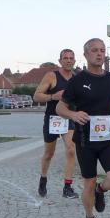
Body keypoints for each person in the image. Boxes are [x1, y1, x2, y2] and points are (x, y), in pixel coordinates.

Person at [56, 38, 110, 218]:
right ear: (86, 54)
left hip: (107, 138)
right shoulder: (77, 81)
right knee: (89, 181)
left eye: (102, 50)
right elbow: (60, 108)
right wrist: (73, 115)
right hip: (85, 140)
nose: (99, 54)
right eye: (95, 50)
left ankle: (100, 191)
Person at [33, 49, 79, 199]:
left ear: (74, 61)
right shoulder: (51, 76)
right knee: (49, 154)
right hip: (53, 119)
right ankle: (43, 178)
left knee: (71, 149)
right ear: (60, 61)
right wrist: (53, 96)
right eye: (65, 58)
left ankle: (67, 187)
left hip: (68, 117)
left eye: (71, 58)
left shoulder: (77, 78)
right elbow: (36, 96)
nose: (68, 60)